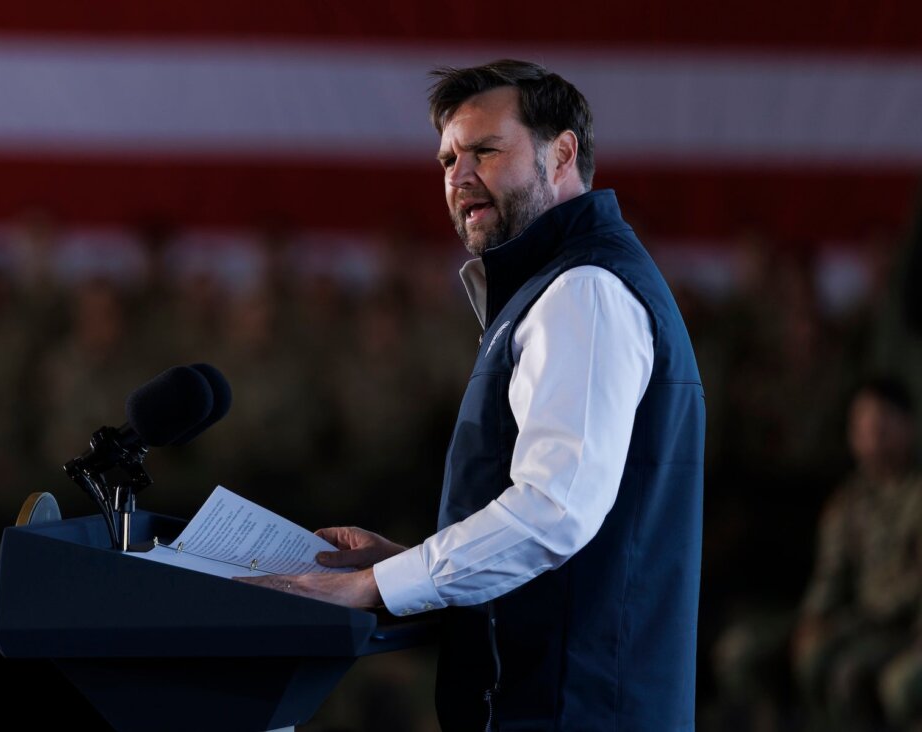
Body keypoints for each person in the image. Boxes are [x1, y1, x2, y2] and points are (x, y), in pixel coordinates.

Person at [238, 59, 706, 730]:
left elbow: (554, 510)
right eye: (448, 158)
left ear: (562, 153)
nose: (458, 177)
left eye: (485, 150)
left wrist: (375, 586)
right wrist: (411, 562)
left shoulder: (585, 292)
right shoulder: (559, 286)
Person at [790, 375, 922, 731]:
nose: (870, 436)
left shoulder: (915, 495)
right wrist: (815, 618)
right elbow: (830, 574)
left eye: (881, 424)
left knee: (854, 675)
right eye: (861, 426)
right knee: (813, 657)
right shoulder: (849, 500)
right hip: (866, 622)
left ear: (907, 427)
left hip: (903, 627)